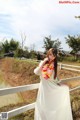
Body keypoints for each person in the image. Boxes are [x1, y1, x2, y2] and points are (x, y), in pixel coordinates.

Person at [34, 48, 73, 120]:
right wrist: (43, 62)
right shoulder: (43, 63)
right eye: (50, 54)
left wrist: (62, 84)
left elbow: (55, 79)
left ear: (55, 56)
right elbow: (36, 72)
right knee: (42, 108)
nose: (51, 57)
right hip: (43, 89)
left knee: (50, 108)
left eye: (54, 55)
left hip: (51, 90)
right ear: (48, 54)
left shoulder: (54, 66)